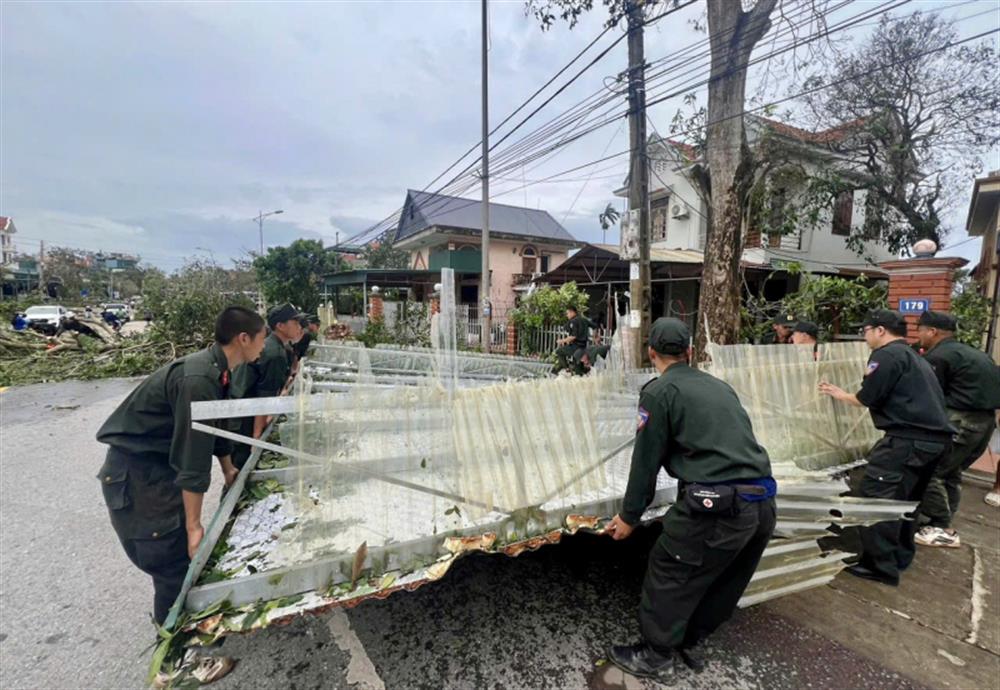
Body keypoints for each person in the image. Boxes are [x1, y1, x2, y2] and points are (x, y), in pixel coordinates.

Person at [605, 318, 776, 682]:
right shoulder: (719, 386)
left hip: (719, 506)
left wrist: (629, 517)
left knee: (671, 568)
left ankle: (656, 655)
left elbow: (645, 460)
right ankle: (688, 640)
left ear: (650, 352)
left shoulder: (659, 392)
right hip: (762, 501)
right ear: (690, 352)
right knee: (722, 574)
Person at [95, 307, 266, 630]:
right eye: (261, 338)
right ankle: (174, 661)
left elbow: (216, 429)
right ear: (243, 338)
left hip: (158, 468)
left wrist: (230, 470)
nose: (263, 346)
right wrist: (194, 526)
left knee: (180, 557)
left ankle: (190, 624)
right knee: (171, 559)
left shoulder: (219, 369)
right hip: (138, 475)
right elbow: (193, 457)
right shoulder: (198, 379)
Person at [819, 309, 953, 586]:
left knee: (877, 500)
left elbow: (869, 396)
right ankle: (899, 557)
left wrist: (838, 393)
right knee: (906, 502)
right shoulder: (914, 356)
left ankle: (879, 566)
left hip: (907, 441)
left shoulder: (886, 355)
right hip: (933, 442)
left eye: (865, 330)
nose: (864, 336)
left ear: (880, 330)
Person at [912, 311, 1000, 548]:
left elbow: (930, 394)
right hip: (985, 423)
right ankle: (941, 519)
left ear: (932, 332)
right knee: (951, 472)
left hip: (960, 421)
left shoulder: (939, 356)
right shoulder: (972, 353)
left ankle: (942, 527)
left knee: (930, 470)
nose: (918, 334)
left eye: (920, 329)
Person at [228, 303, 305, 468]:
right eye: (295, 322)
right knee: (242, 467)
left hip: (240, 410)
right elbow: (263, 399)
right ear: (280, 326)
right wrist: (257, 439)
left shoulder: (272, 344)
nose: (299, 326)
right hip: (243, 418)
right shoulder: (275, 353)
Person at [552, 305, 588, 375]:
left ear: (572, 312)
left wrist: (562, 341)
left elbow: (573, 336)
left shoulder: (574, 321)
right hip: (583, 347)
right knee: (577, 365)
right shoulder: (582, 320)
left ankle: (567, 369)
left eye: (567, 313)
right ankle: (581, 375)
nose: (567, 315)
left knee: (559, 351)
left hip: (576, 347)